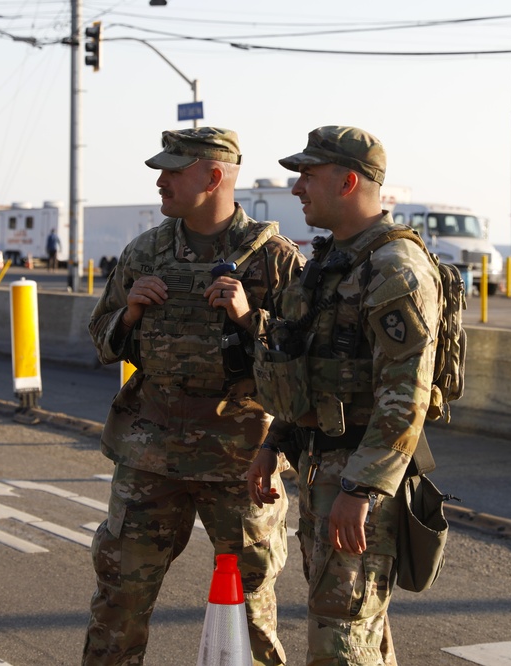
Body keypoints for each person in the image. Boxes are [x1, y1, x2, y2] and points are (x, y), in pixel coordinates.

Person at [83, 127, 306, 666]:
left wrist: (249, 318)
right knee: (120, 596)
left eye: (173, 170)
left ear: (212, 176)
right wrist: (129, 311)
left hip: (240, 457)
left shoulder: (273, 258)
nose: (160, 181)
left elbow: (304, 362)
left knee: (251, 602)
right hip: (151, 452)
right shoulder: (146, 251)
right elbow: (102, 340)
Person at [247, 126, 443, 665]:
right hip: (323, 466)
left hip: (357, 475)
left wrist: (362, 488)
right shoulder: (331, 262)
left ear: (349, 179)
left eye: (308, 175)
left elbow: (407, 394)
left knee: (340, 642)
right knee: (354, 633)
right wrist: (275, 443)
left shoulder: (395, 269)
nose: (297, 188)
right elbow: (309, 367)